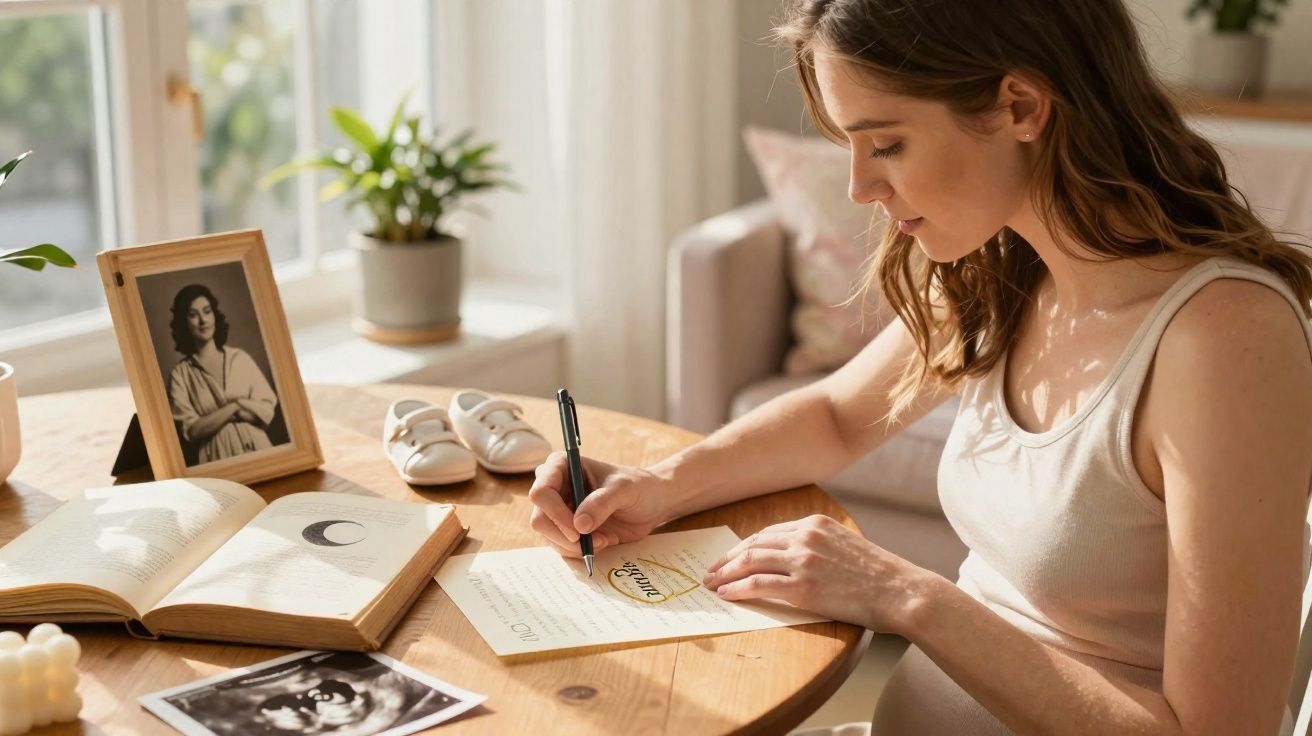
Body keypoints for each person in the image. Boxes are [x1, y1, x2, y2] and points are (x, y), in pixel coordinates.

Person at [527, 1, 1312, 733]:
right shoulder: (1005, 264)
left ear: (1020, 108)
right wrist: (658, 485)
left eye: (888, 144)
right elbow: (836, 416)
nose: (860, 187)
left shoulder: (1225, 340)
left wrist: (905, 594)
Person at [167, 283, 278, 464]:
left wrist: (216, 418)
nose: (203, 320)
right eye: (193, 315)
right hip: (217, 457)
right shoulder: (180, 375)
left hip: (259, 448)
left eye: (207, 311)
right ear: (183, 322)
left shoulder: (239, 358)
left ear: (214, 315)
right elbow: (192, 431)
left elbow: (267, 411)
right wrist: (235, 407)